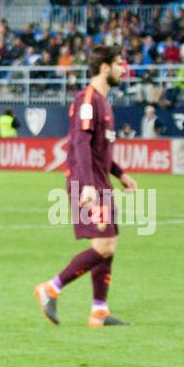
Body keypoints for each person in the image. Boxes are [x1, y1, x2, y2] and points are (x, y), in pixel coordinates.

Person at [34, 45, 138, 329]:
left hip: (100, 181)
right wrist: (88, 187)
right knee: (104, 244)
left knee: (107, 245)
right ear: (104, 67)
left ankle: (99, 311)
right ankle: (50, 288)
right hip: (87, 182)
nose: (123, 69)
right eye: (119, 63)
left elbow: (98, 150)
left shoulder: (103, 101)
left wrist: (120, 174)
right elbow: (80, 143)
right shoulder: (88, 100)